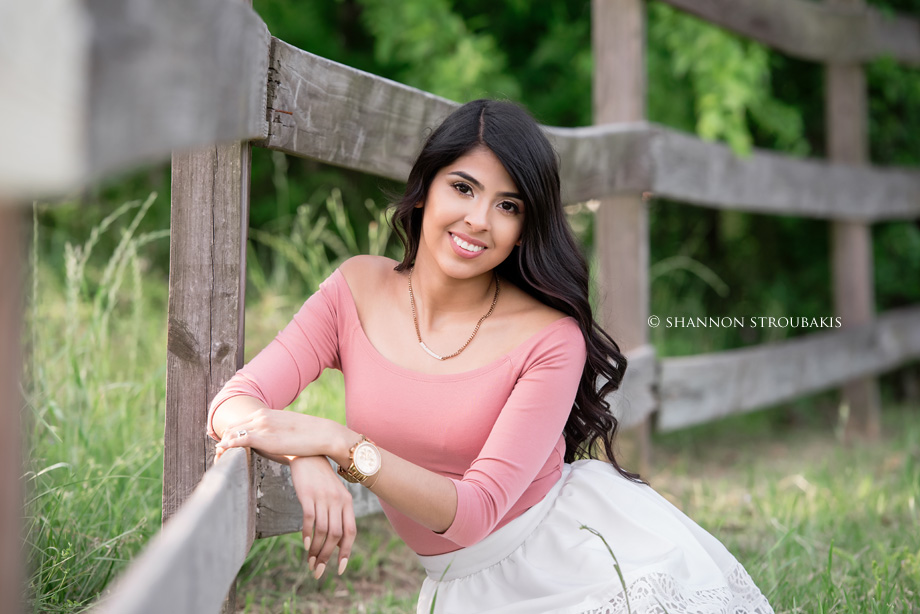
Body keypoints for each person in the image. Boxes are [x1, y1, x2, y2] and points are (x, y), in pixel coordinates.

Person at [209, 99, 774, 613]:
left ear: (526, 228)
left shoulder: (550, 339)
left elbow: (474, 513)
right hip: (462, 588)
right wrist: (301, 457)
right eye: (463, 187)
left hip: (580, 568)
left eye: (507, 204)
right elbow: (232, 403)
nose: (479, 219)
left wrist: (339, 444)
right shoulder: (355, 290)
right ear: (425, 187)